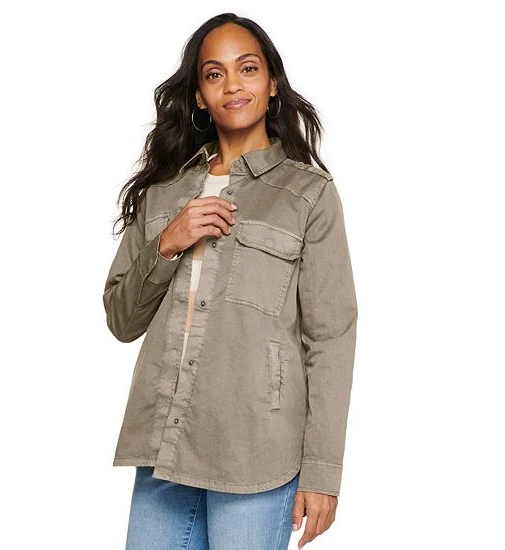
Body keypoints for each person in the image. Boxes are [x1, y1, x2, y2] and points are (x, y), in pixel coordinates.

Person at [102, 12, 358, 550]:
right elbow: (122, 321)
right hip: (165, 448)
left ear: (273, 83)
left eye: (248, 68)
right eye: (214, 74)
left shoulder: (308, 195)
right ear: (199, 96)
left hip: (257, 454)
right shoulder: (164, 192)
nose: (232, 84)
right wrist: (167, 242)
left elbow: (331, 337)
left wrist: (322, 471)